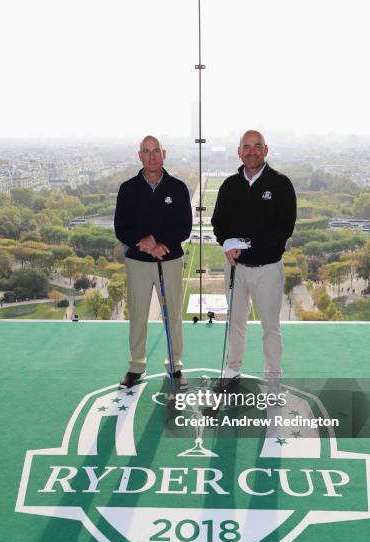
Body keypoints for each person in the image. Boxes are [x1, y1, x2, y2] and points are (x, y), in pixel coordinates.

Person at [211, 130, 297, 389]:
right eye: (246, 147)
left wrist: (244, 245)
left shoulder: (281, 184)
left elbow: (284, 228)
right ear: (239, 151)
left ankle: (272, 376)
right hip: (236, 268)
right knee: (235, 323)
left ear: (265, 149)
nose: (251, 151)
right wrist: (226, 243)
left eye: (256, 146)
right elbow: (218, 223)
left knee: (270, 327)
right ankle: (232, 369)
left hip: (268, 269)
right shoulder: (229, 185)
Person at [114, 135, 192, 388]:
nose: (151, 156)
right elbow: (120, 228)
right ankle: (136, 366)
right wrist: (145, 243)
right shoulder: (128, 188)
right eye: (146, 151)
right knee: (137, 314)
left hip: (169, 260)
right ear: (139, 156)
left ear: (164, 153)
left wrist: (158, 244)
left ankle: (175, 366)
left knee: (173, 315)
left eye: (155, 151)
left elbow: (184, 227)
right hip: (137, 261)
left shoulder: (178, 187)